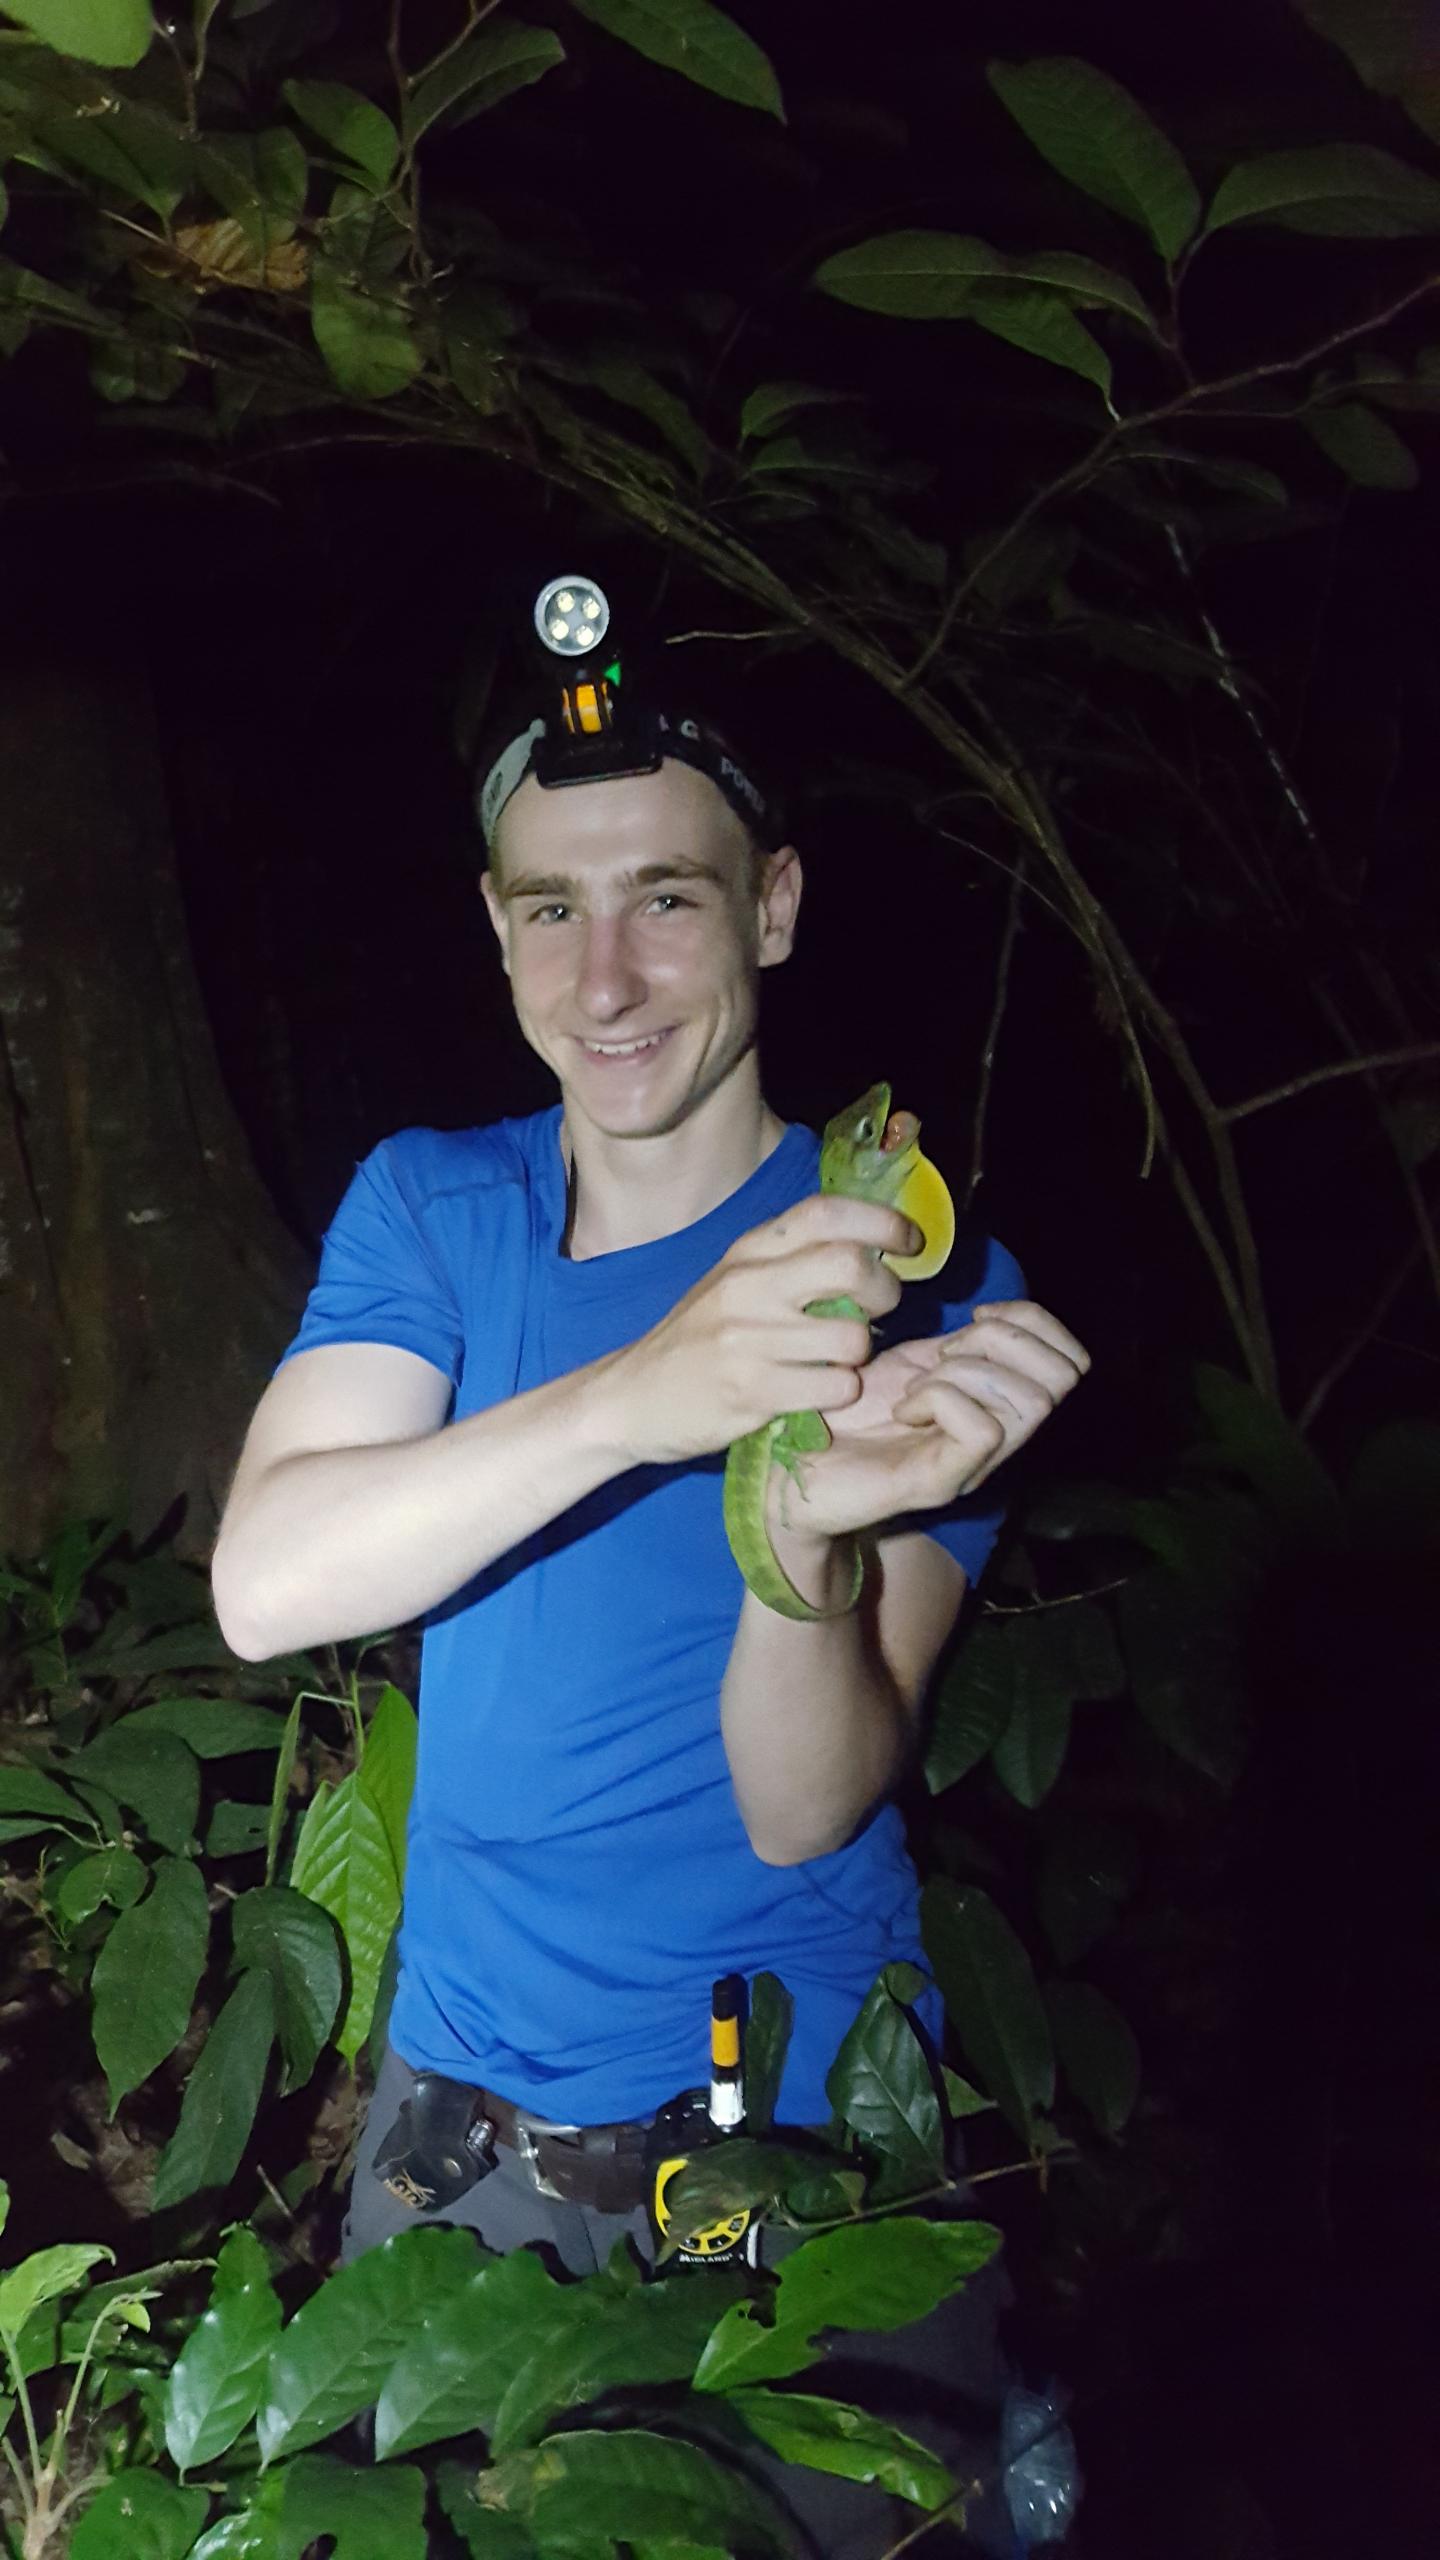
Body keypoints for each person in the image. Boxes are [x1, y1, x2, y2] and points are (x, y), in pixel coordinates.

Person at [211, 695, 1089, 2554]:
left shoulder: (911, 1283)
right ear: (496, 922)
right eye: (551, 910)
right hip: (452, 2151)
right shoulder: (440, 1206)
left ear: (772, 906)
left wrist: (798, 1543)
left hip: (792, 2140)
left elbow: (805, 1803)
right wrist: (648, 1388)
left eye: (666, 902)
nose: (605, 979)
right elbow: (268, 1582)